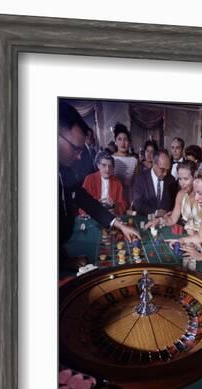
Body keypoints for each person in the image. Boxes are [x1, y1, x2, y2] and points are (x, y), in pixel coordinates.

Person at [58, 101, 139, 267]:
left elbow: (85, 200)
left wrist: (119, 225)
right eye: (75, 148)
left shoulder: (66, 171)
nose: (79, 156)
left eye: (81, 150)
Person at [145, 160, 202, 235]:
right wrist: (159, 220)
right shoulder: (181, 195)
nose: (182, 183)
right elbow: (172, 219)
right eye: (180, 179)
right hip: (189, 238)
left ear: (195, 178)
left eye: (185, 179)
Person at [79, 151, 127, 216]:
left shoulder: (117, 182)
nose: (107, 169)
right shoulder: (89, 179)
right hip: (93, 214)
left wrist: (114, 206)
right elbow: (82, 202)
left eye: (110, 166)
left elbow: (123, 203)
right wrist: (97, 203)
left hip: (110, 215)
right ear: (98, 165)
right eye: (104, 165)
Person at [132, 150, 177, 216]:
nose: (165, 173)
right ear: (154, 164)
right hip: (145, 220)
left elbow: (173, 203)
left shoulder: (171, 180)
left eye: (168, 170)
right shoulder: (140, 179)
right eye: (162, 170)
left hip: (165, 221)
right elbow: (137, 203)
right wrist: (155, 212)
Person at [112, 123, 139, 204]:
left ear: (129, 142)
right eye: (119, 139)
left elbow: (137, 185)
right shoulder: (111, 159)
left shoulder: (134, 160)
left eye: (125, 139)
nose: (123, 143)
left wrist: (134, 202)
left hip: (129, 198)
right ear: (115, 141)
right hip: (113, 197)